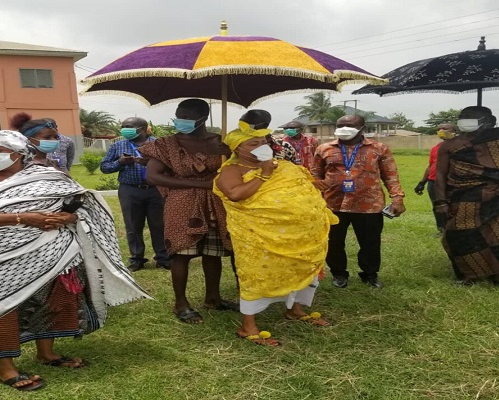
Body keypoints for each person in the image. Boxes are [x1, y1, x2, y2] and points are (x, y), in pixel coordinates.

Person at [0, 130, 150, 391]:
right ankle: (6, 368)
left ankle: (47, 353)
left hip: (53, 252)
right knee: (2, 308)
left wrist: (69, 218)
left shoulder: (50, 176)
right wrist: (22, 218)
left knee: (52, 299)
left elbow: (82, 205)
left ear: (19, 154)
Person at [214, 120, 337, 346]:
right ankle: (248, 326)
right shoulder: (230, 170)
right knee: (257, 274)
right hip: (258, 237)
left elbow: (301, 184)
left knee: (298, 267)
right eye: (253, 143)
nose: (261, 146)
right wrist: (263, 174)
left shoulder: (284, 165)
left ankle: (295, 310)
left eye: (263, 141)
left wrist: (313, 186)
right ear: (238, 148)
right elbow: (235, 194)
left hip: (300, 237)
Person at [139, 98, 236, 324]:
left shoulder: (220, 143)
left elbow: (236, 169)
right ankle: (180, 303)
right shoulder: (165, 144)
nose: (180, 121)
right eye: (178, 115)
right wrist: (201, 184)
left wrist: (229, 154)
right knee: (181, 252)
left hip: (216, 203)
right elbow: (152, 177)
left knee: (214, 251)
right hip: (181, 202)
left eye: (187, 117)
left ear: (203, 118)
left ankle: (213, 297)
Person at [311, 115, 406, 289]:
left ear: (362, 128)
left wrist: (397, 198)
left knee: (370, 242)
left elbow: (390, 175)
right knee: (333, 241)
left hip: (368, 205)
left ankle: (369, 274)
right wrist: (317, 188)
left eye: (350, 125)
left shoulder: (379, 148)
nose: (344, 128)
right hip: (333, 204)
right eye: (341, 125)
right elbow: (315, 173)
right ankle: (339, 273)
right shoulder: (324, 148)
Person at [434, 106, 499, 285]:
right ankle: (469, 274)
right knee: (457, 234)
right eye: (463, 116)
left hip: (497, 197)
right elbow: (440, 174)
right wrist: (440, 201)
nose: (465, 120)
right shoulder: (449, 145)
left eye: (471, 117)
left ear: (488, 121)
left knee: (496, 235)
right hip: (463, 197)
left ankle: (498, 273)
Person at [100, 117, 170, 271]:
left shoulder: (159, 144)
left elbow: (171, 166)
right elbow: (104, 167)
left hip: (155, 189)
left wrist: (150, 164)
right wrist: (120, 162)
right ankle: (137, 259)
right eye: (123, 126)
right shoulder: (117, 146)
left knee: (159, 224)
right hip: (129, 190)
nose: (125, 129)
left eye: (129, 126)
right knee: (132, 225)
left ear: (144, 129)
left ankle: (163, 258)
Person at [414, 123, 457, 236]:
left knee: (453, 206)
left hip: (449, 182)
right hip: (433, 182)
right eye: (439, 129)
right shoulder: (436, 148)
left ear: (454, 131)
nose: (441, 131)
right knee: (437, 207)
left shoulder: (460, 147)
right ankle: (442, 229)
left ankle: (453, 230)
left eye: (445, 129)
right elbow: (431, 165)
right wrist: (422, 182)